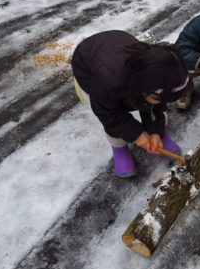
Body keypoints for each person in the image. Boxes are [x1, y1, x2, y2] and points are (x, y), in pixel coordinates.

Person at [71, 30, 191, 178]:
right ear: (143, 89)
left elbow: (155, 106)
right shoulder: (106, 82)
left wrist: (155, 131)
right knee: (114, 116)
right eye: (160, 98)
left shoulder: (157, 72)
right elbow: (109, 114)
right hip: (88, 68)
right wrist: (137, 134)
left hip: (116, 51)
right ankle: (119, 148)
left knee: (151, 105)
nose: (163, 102)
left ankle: (159, 134)